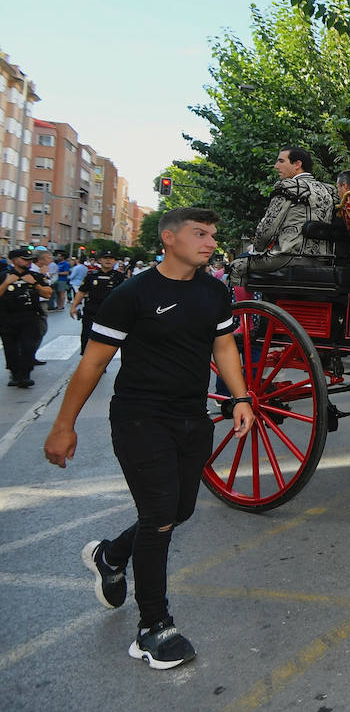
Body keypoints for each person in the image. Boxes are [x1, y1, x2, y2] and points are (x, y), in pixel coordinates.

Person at [42, 207, 254, 669]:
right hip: (141, 418)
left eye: (213, 234)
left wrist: (240, 397)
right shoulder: (132, 294)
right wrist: (64, 425)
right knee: (159, 515)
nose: (210, 242)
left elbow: (223, 346)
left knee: (180, 510)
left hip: (191, 417)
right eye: (200, 234)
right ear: (169, 238)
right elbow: (93, 364)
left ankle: (111, 556)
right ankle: (153, 627)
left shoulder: (215, 292)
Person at [228, 147, 338, 286]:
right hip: (324, 259)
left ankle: (243, 308)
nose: (276, 166)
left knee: (237, 266)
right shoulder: (329, 190)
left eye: (281, 161)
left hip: (289, 257)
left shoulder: (288, 186)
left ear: (297, 164)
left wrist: (256, 249)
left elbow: (268, 227)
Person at [0, 248, 50, 387]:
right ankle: (15, 374)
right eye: (24, 259)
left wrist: (34, 283)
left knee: (28, 346)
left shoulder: (35, 276)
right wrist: (6, 283)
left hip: (30, 317)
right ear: (14, 260)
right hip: (7, 318)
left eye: (29, 259)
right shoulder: (3, 276)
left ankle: (25, 375)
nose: (27, 262)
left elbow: (48, 293)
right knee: (11, 347)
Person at [69, 251, 127, 354]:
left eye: (111, 258)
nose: (108, 260)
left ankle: (101, 364)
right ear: (100, 260)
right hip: (92, 311)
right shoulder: (91, 276)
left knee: (107, 340)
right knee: (87, 336)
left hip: (110, 313)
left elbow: (126, 295)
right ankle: (86, 360)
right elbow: (82, 292)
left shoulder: (119, 277)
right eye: (105, 258)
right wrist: (73, 306)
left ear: (114, 261)